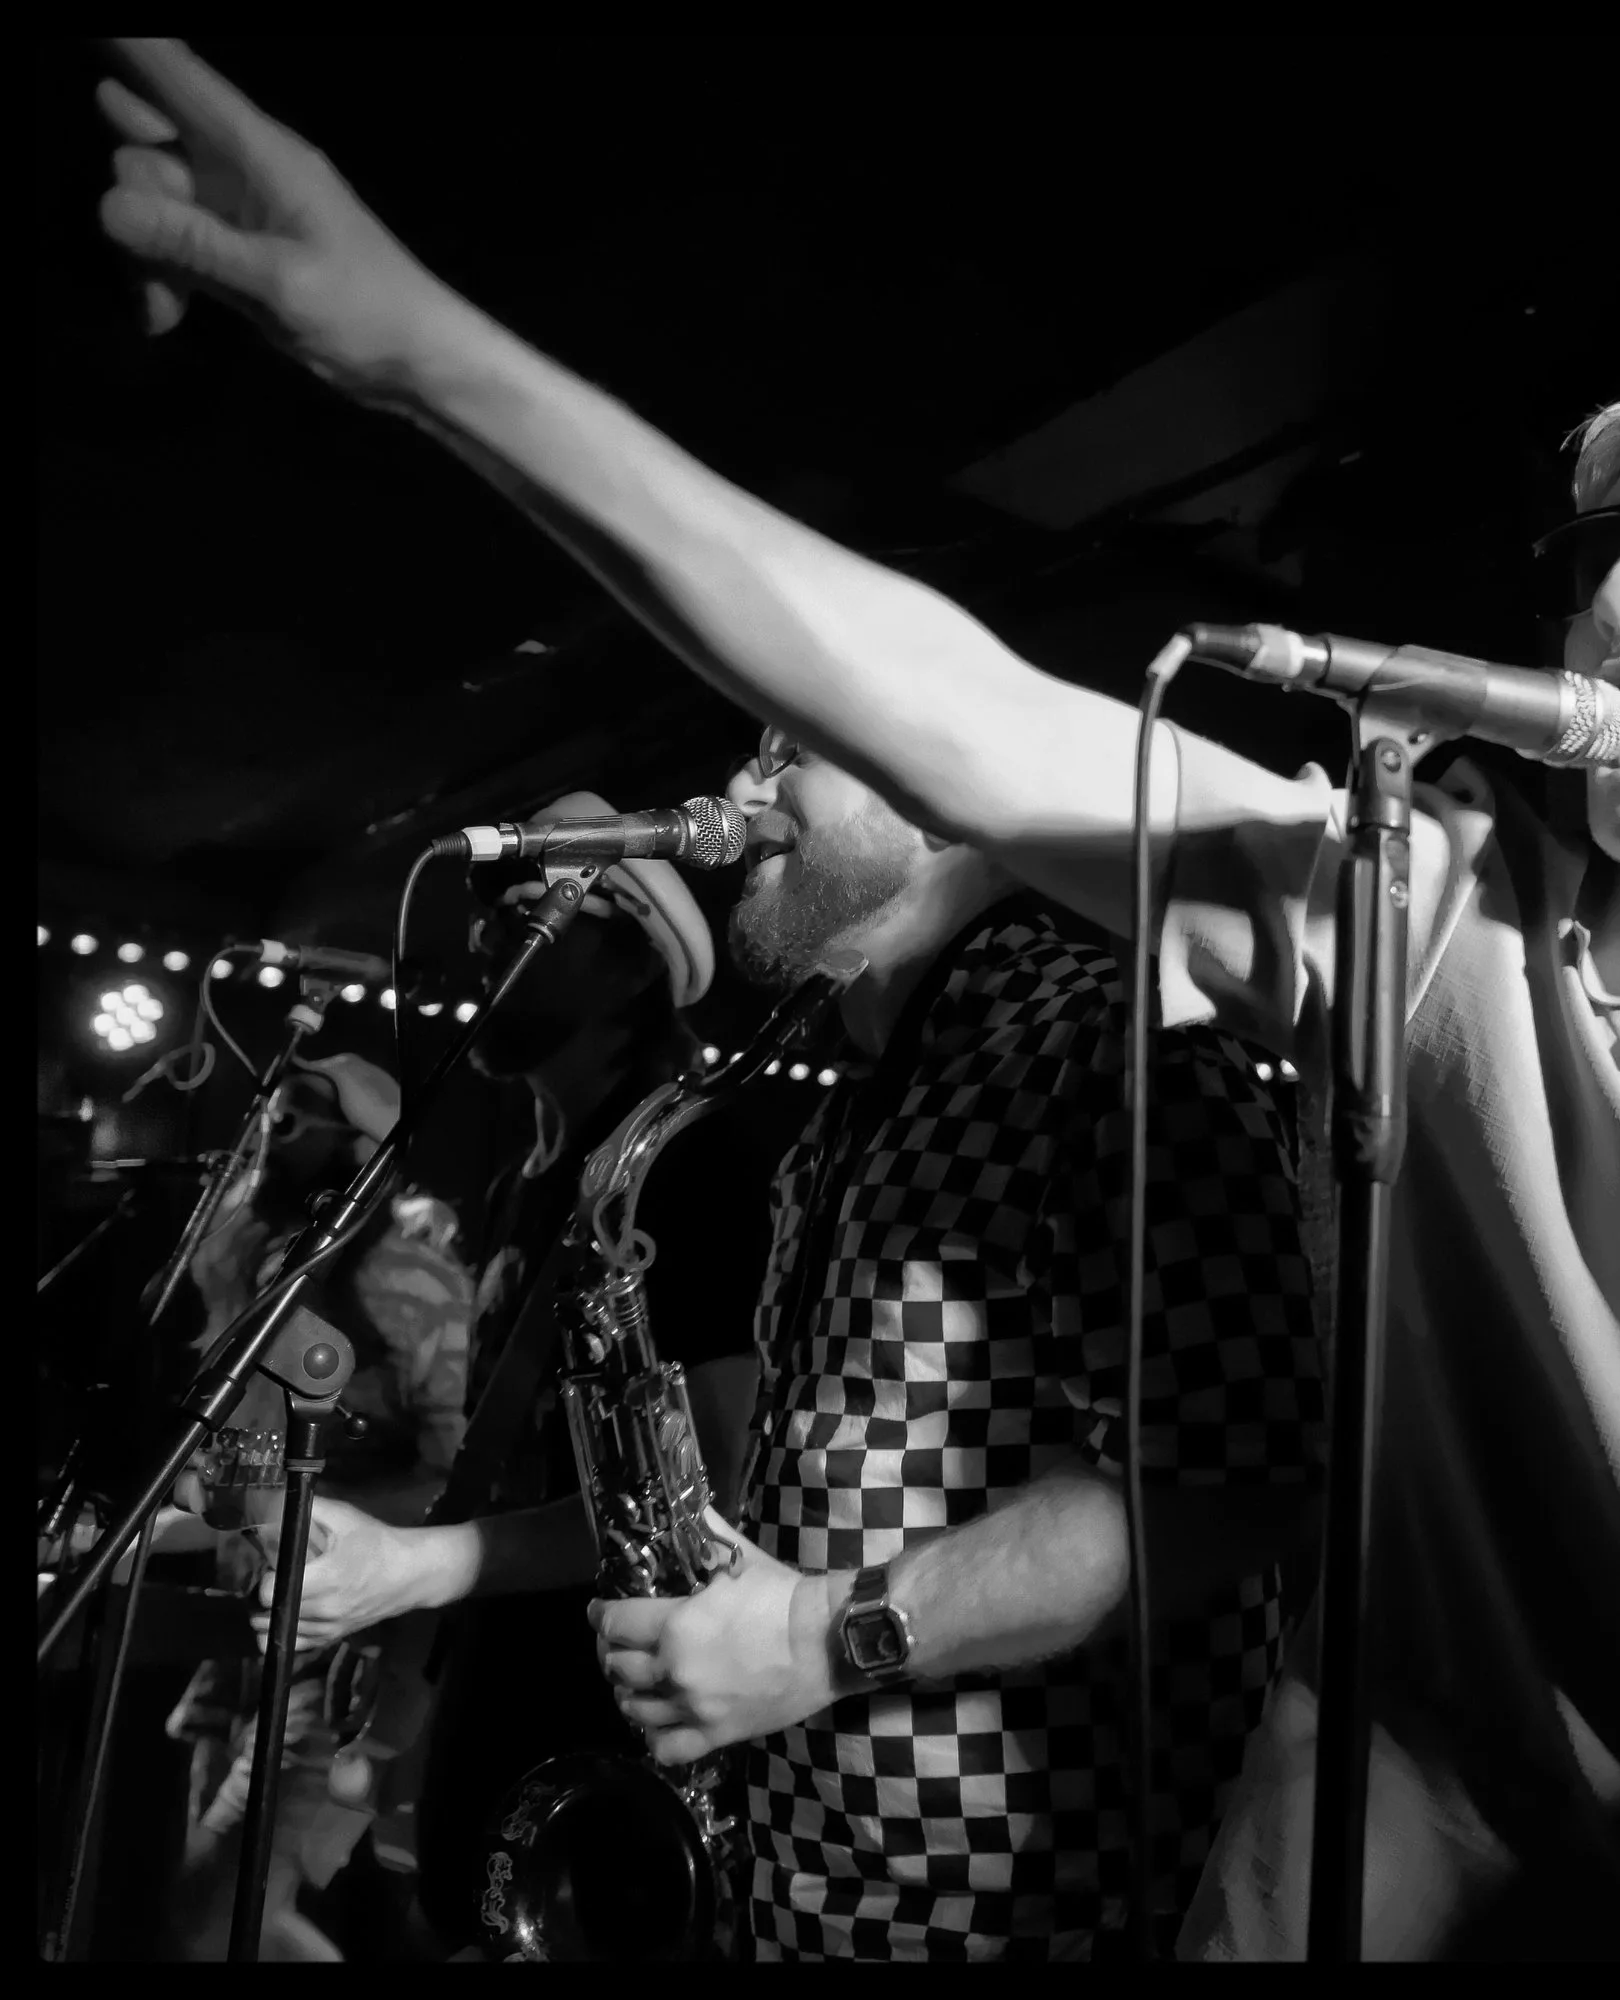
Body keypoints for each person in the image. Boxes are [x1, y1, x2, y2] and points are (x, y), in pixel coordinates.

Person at [92, 40, 1620, 1961]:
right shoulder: (1434, 923)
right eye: (1601, 547)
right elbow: (941, 701)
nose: (1616, 586)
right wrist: (416, 347)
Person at [574, 732, 1323, 1960]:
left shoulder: (1122, 1044)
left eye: (788, 749)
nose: (742, 790)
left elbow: (1232, 1483)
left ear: (931, 794)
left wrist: (815, 1638)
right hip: (805, 1892)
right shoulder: (847, 1116)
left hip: (1029, 1920)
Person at [268, 793, 803, 1956]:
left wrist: (429, 1568)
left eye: (528, 921)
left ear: (631, 966)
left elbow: (717, 1472)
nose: (484, 946)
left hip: (611, 1697)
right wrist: (409, 1628)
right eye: (487, 925)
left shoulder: (693, 1159)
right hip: (495, 1668)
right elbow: (497, 1451)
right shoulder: (530, 1174)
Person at [157, 1058, 474, 1962]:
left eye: (291, 1124)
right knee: (210, 1919)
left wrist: (315, 1510)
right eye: (269, 1115)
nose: (264, 1138)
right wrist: (125, 1535)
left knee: (220, 1905)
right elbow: (243, 1487)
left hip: (346, 1642)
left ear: (358, 1152)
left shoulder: (412, 1282)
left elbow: (458, 1475)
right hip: (246, 1629)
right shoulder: (263, 1268)